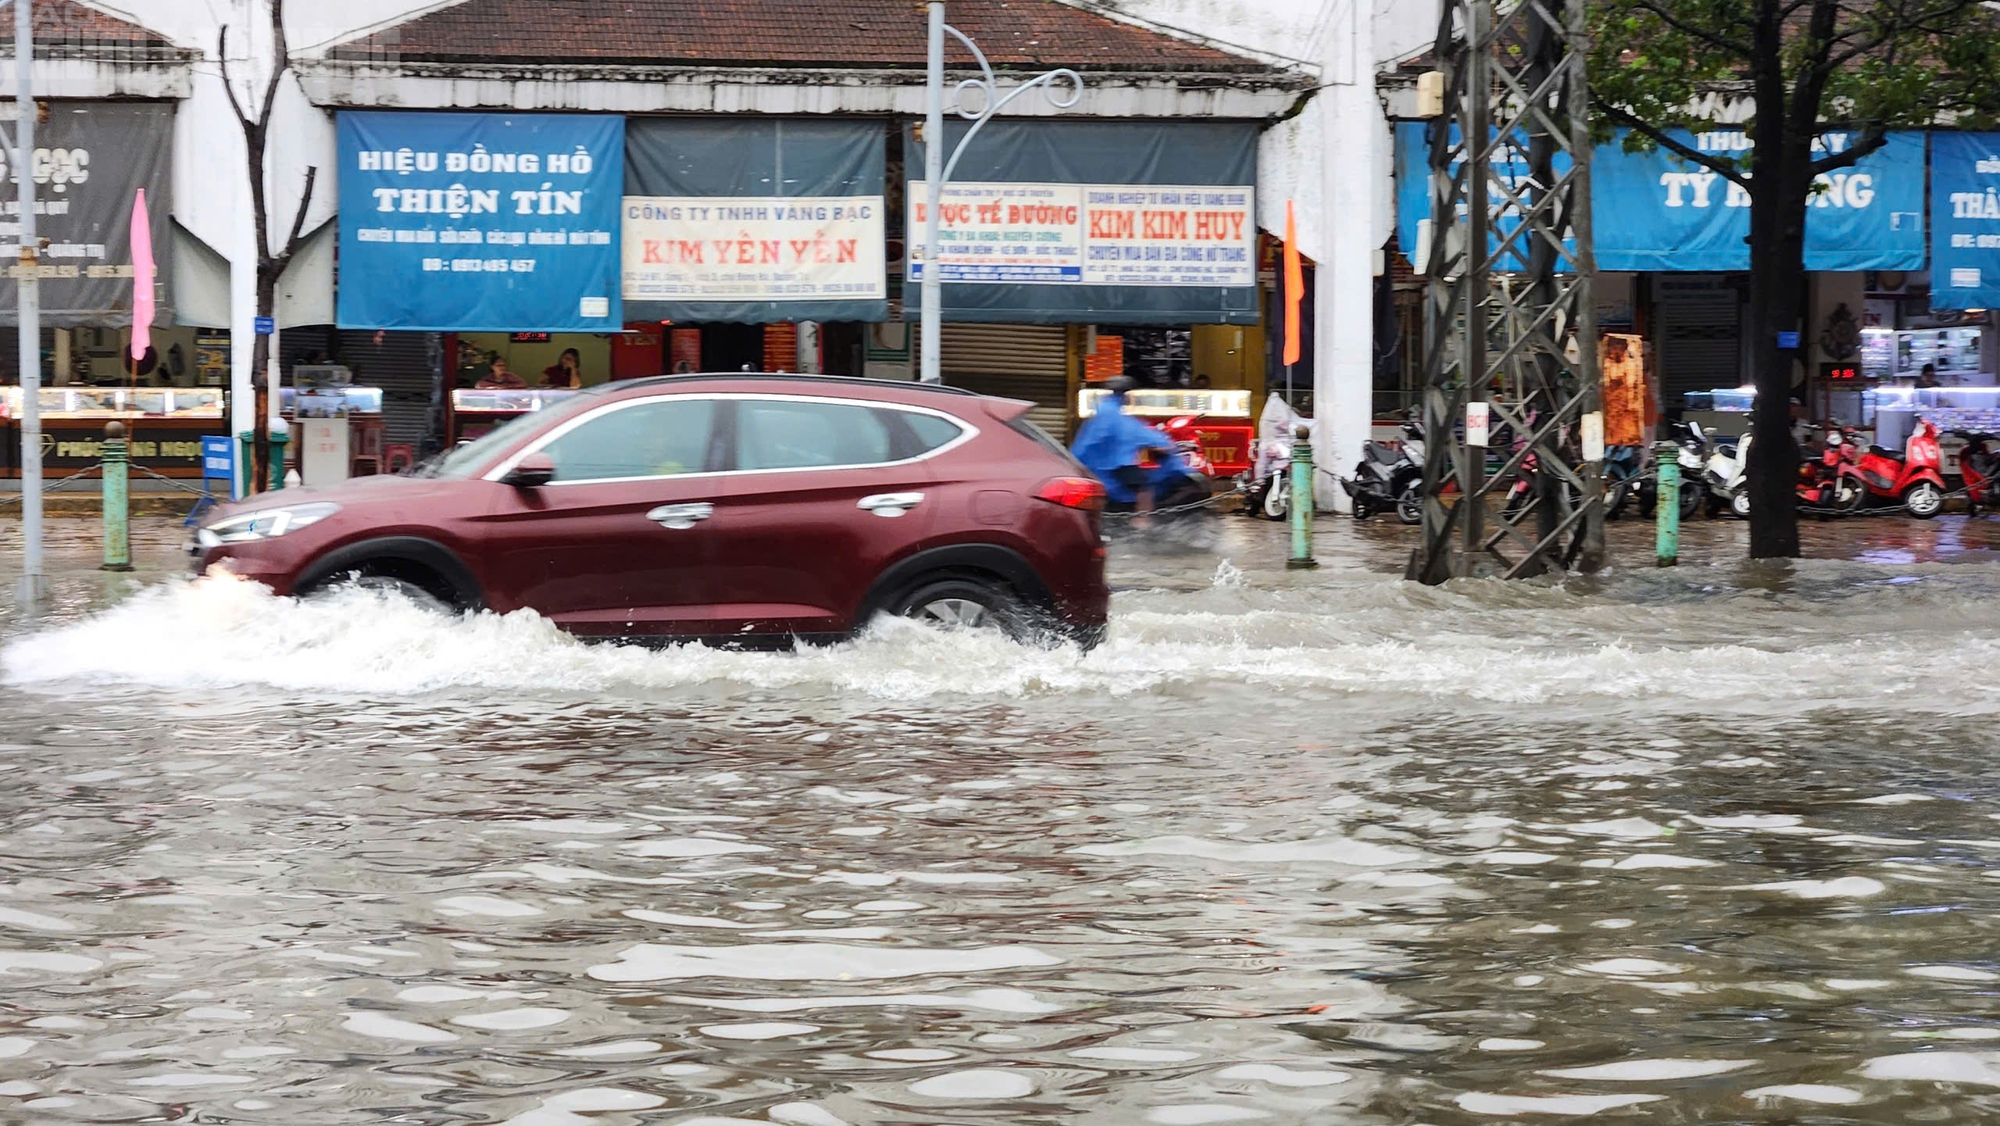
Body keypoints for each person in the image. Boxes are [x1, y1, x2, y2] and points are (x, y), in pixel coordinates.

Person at [1072, 376, 1174, 526]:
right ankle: (1142, 521)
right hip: (1117, 464)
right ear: (1125, 393)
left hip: (1098, 465)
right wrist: (1161, 442)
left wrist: (1073, 458)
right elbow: (1135, 432)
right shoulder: (1114, 413)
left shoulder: (1105, 409)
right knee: (1145, 488)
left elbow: (1089, 439)